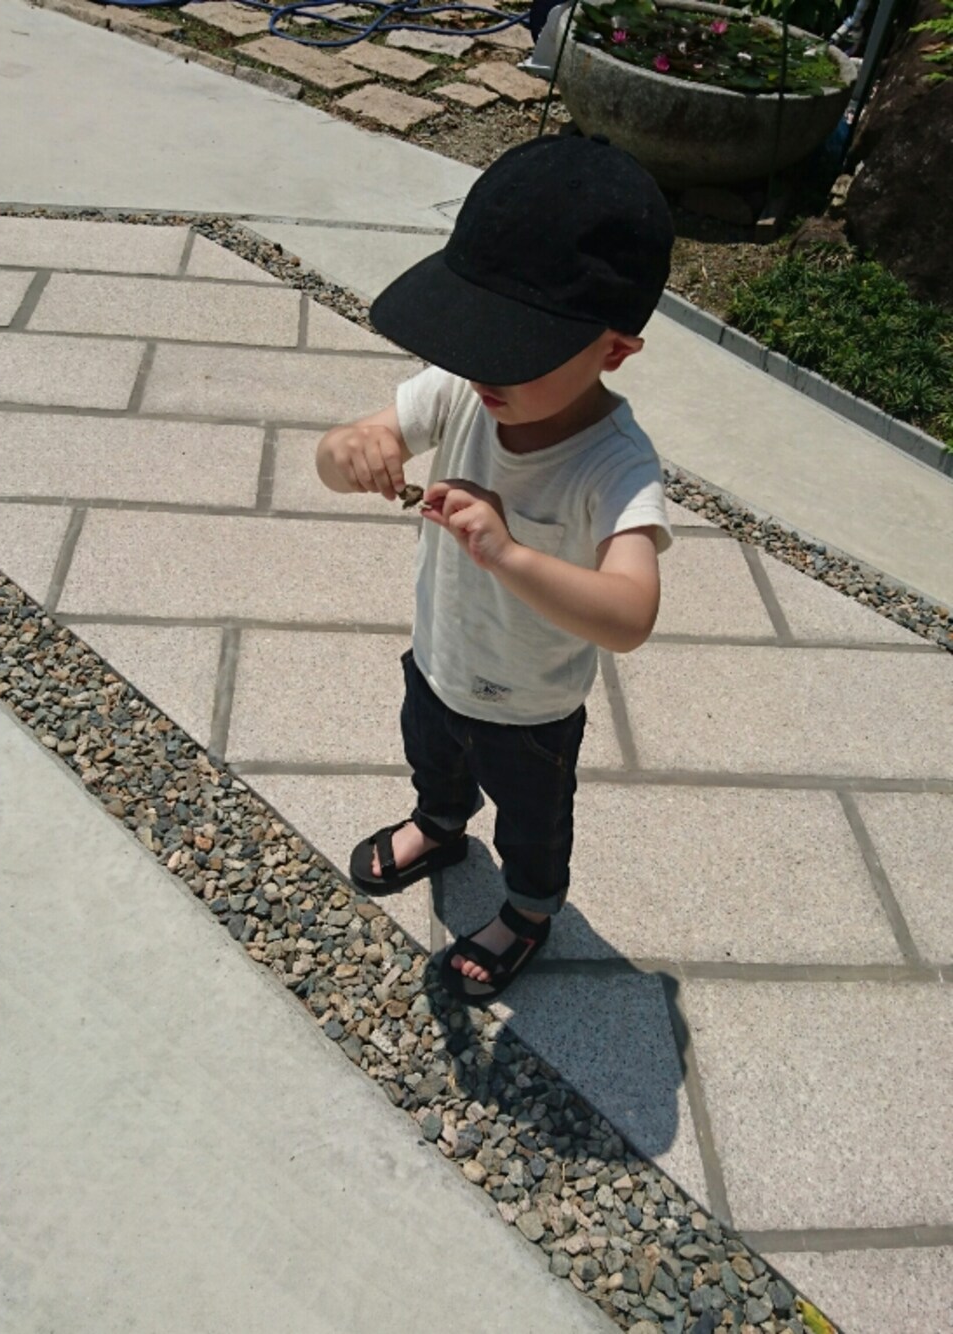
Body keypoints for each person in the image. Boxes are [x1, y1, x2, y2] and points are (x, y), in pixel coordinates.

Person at [315, 134, 674, 1002]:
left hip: (531, 712)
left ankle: (529, 909)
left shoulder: (615, 466)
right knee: (431, 755)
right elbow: (340, 453)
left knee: (532, 825)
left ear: (613, 350)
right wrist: (351, 447)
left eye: (514, 346)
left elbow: (630, 614)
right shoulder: (463, 387)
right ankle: (440, 825)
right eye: (473, 329)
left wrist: (512, 554)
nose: (482, 361)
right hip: (439, 658)